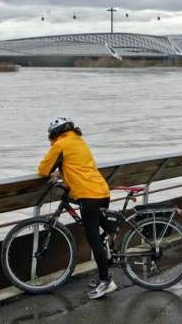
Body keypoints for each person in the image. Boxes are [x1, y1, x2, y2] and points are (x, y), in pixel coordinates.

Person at [37, 117, 116, 299]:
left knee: (93, 238)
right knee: (104, 231)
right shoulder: (80, 142)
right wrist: (63, 173)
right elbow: (79, 167)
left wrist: (56, 173)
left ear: (55, 133)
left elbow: (43, 169)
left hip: (88, 195)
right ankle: (112, 247)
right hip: (101, 191)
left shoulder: (61, 145)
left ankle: (106, 281)